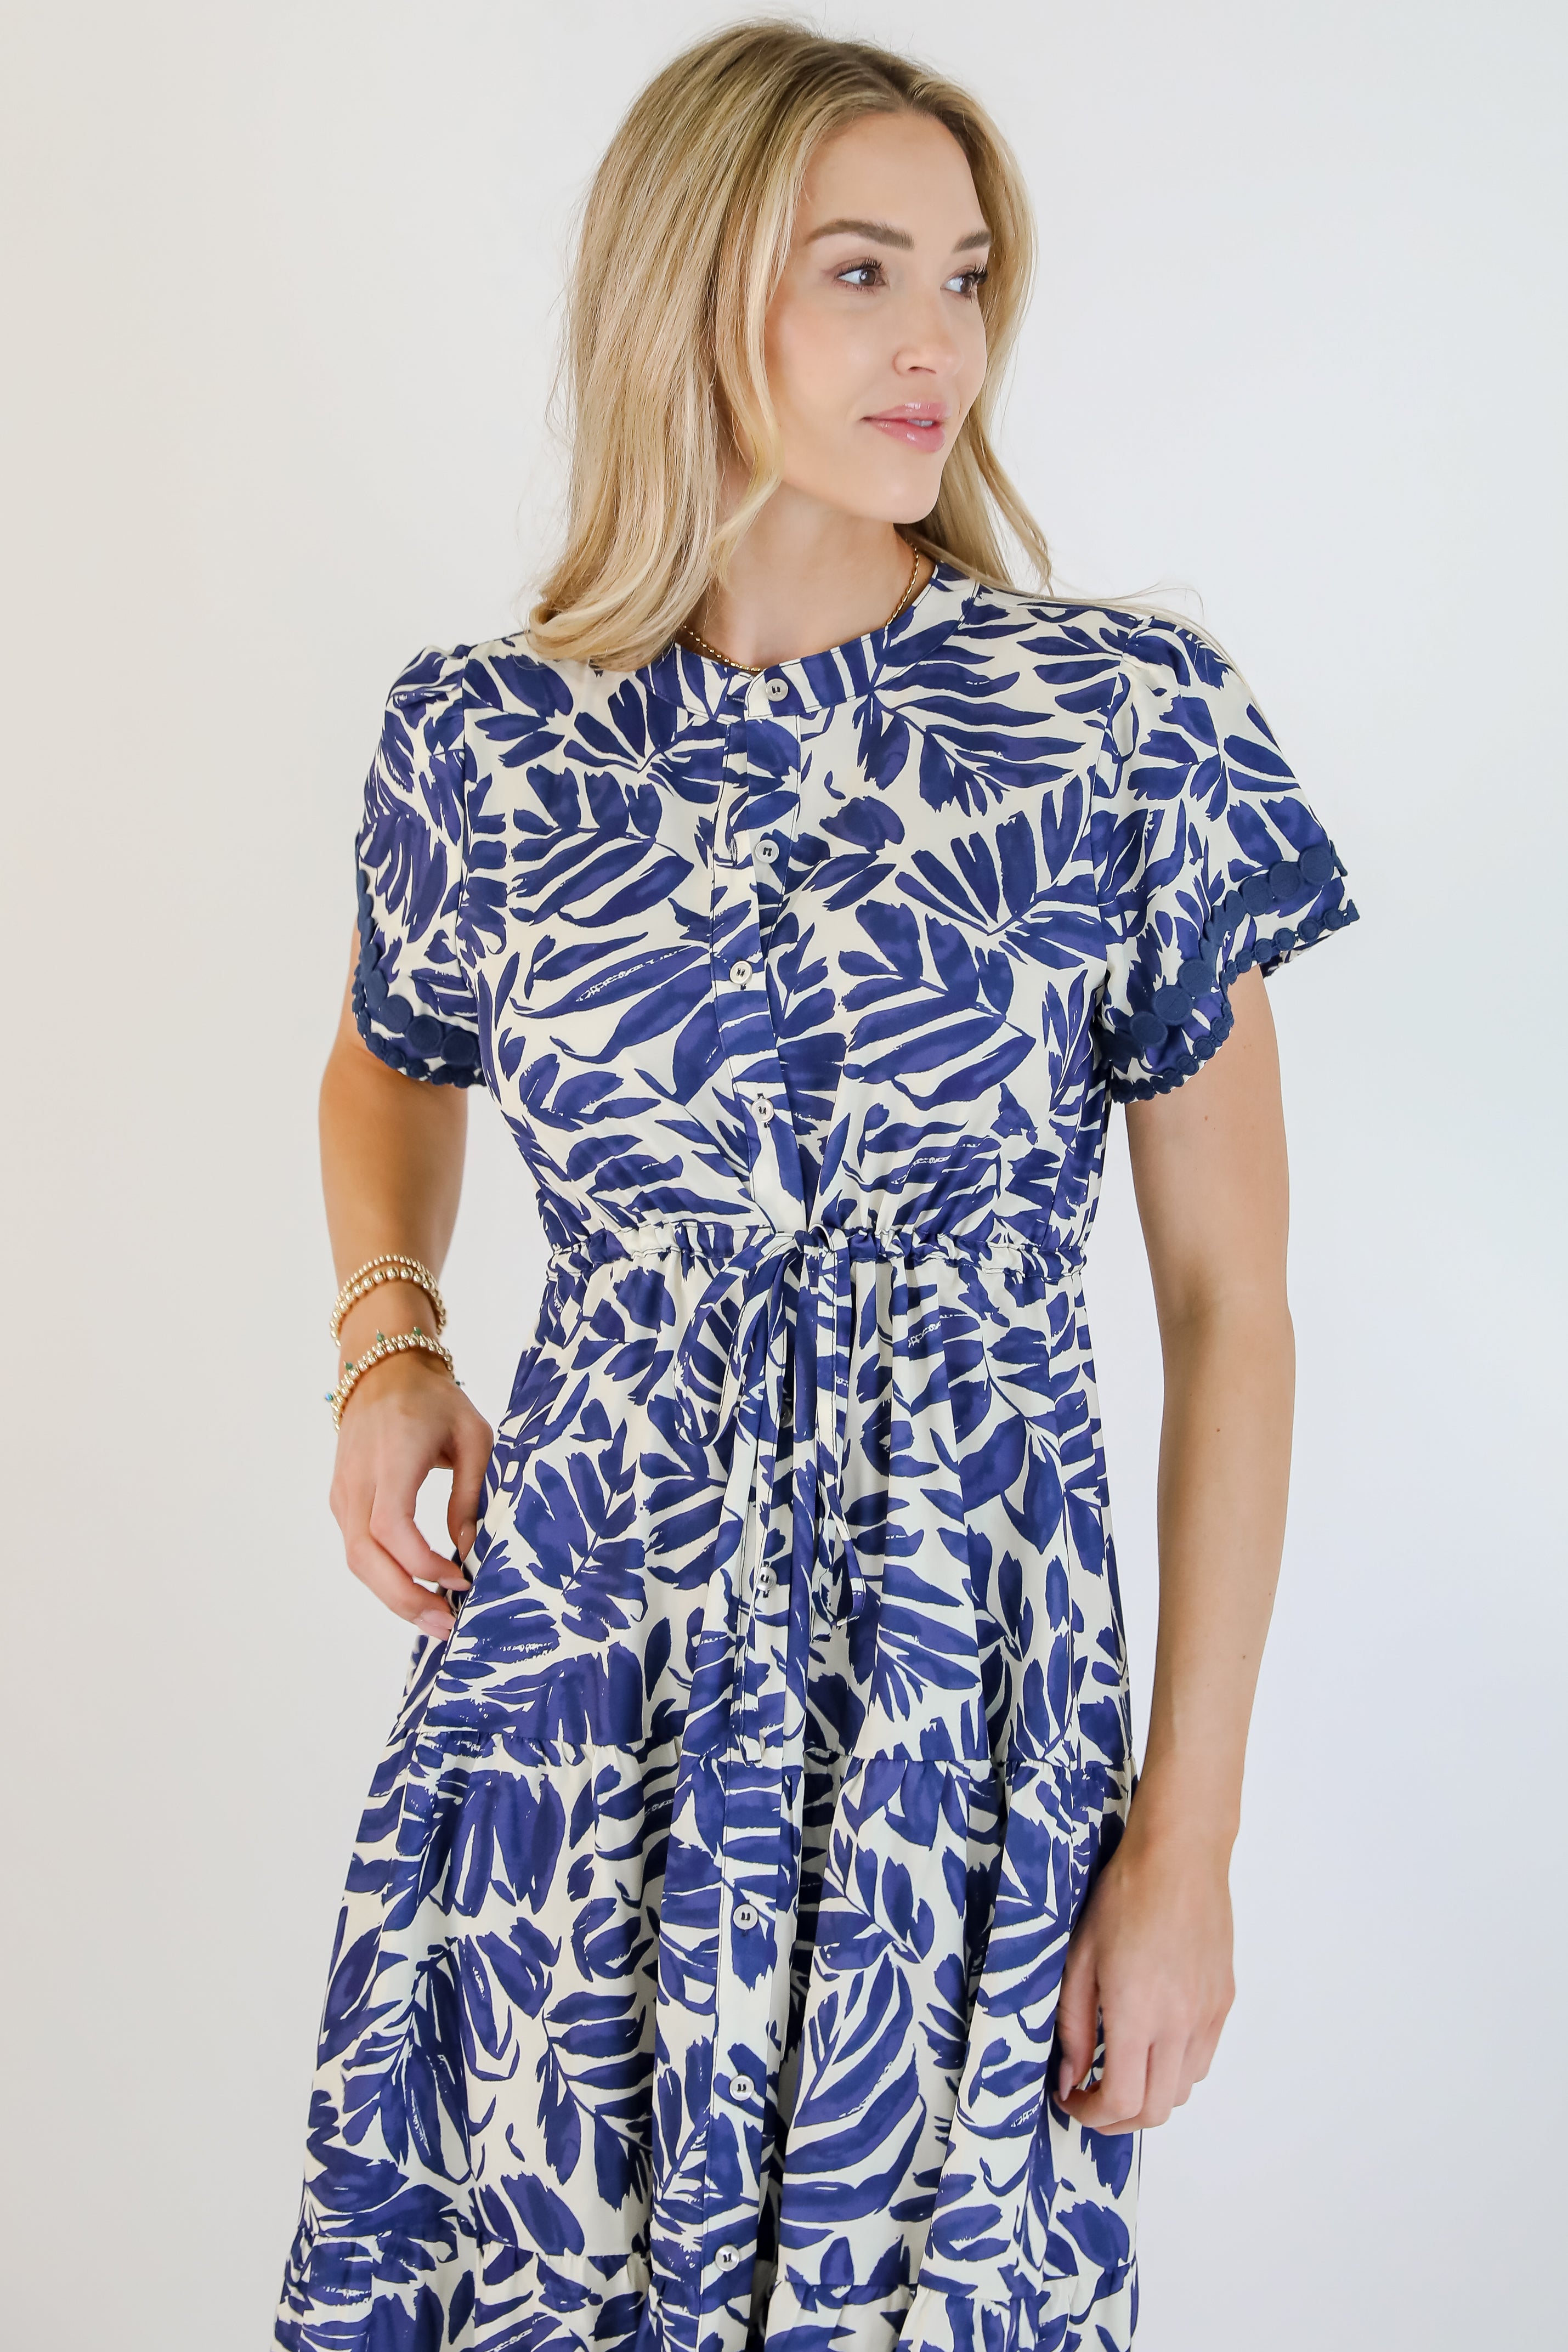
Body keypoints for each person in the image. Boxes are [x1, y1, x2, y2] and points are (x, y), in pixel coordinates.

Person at [276, 22, 1357, 2352]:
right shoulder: (486, 736)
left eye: (963, 276)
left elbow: (1229, 1310)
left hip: (958, 1716)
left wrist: (1185, 1837)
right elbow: (388, 1055)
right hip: (581, 1695)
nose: (934, 341)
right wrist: (390, 1336)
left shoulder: (1120, 728)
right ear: (688, 288)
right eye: (859, 270)